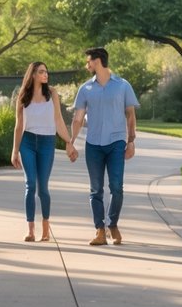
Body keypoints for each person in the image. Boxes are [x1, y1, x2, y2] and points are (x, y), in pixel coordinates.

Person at [70, 46, 139, 246]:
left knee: (116, 187)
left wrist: (131, 141)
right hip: (93, 145)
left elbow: (130, 114)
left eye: (89, 60)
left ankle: (113, 224)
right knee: (95, 190)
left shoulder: (123, 85)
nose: (87, 65)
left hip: (117, 142)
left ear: (98, 61)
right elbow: (78, 119)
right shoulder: (85, 89)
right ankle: (100, 230)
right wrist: (71, 142)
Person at [11, 61, 78, 242]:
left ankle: (46, 227)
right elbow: (18, 126)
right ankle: (31, 230)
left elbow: (58, 119)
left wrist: (68, 142)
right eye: (41, 72)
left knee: (43, 189)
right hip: (28, 142)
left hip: (47, 143)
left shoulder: (52, 93)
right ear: (32, 74)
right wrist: (15, 150)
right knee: (30, 184)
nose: (45, 75)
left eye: (46, 72)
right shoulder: (23, 96)